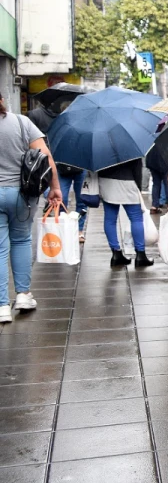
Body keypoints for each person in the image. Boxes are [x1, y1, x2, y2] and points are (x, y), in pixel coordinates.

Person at [0, 90, 62, 323]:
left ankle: (2, 306)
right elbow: (45, 156)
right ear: (2, 100)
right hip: (21, 194)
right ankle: (23, 295)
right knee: (22, 240)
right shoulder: (22, 122)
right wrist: (54, 188)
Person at [30, 98, 88, 241]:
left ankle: (79, 230)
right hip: (62, 167)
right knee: (62, 198)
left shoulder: (83, 125)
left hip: (80, 167)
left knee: (82, 200)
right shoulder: (56, 126)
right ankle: (62, 227)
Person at [100, 158, 152, 268]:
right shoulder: (129, 145)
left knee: (110, 219)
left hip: (106, 182)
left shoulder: (101, 145)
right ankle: (140, 255)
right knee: (136, 218)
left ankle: (116, 254)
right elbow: (137, 168)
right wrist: (139, 188)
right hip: (128, 182)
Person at [146, 144, 168, 214]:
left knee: (156, 184)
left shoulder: (150, 134)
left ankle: (154, 206)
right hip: (165, 160)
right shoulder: (167, 134)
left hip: (152, 160)